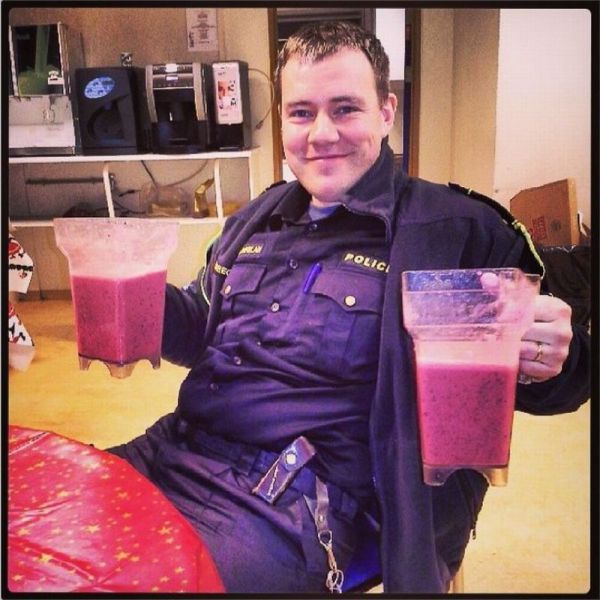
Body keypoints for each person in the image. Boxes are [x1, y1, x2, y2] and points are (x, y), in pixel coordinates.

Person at [108, 22, 590, 593]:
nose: (322, 133)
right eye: (301, 112)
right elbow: (201, 329)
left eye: (345, 109)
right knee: (39, 520)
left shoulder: (454, 231)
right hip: (170, 451)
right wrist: (132, 297)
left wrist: (552, 356)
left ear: (386, 112)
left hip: (294, 504)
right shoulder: (254, 220)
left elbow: (558, 381)